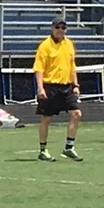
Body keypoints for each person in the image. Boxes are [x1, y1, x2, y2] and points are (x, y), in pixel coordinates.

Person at [33, 17, 83, 161]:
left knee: (76, 114)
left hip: (66, 86)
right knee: (47, 118)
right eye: (57, 27)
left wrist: (76, 85)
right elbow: (39, 68)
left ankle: (69, 147)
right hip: (50, 86)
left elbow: (72, 66)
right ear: (52, 28)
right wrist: (40, 88)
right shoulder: (45, 46)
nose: (60, 30)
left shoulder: (69, 44)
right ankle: (43, 150)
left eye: (63, 28)